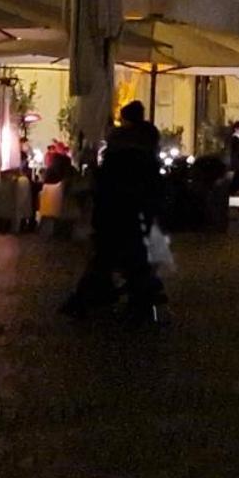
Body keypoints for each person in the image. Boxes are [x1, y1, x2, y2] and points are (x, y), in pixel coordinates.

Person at [61, 100, 166, 323]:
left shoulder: (117, 153)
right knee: (134, 257)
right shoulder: (147, 150)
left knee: (106, 257)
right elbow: (153, 186)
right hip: (138, 212)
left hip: (115, 212)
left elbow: (105, 184)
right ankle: (139, 301)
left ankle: (89, 299)